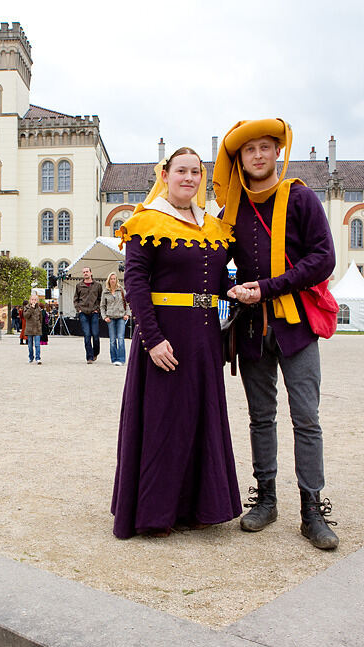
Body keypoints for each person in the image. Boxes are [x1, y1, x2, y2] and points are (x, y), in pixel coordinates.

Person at [214, 118, 339, 550]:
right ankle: (266, 498)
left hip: (296, 325)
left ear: (277, 152)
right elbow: (212, 260)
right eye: (249, 150)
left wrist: (266, 288)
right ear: (240, 160)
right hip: (251, 329)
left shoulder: (301, 197)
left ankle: (311, 508)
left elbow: (324, 258)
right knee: (260, 417)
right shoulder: (232, 209)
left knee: (306, 418)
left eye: (265, 147)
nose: (258, 156)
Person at [111, 147, 241, 539]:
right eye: (181, 171)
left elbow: (219, 283)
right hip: (164, 335)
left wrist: (241, 292)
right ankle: (155, 512)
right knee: (164, 423)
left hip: (203, 338)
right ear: (165, 175)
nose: (189, 178)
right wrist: (153, 339)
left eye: (196, 172)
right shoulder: (147, 221)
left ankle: (197, 507)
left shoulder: (213, 226)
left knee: (199, 420)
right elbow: (135, 283)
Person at [74, 266, 102, 364]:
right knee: (87, 334)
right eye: (84, 272)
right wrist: (79, 309)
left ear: (90, 273)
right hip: (83, 313)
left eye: (87, 271)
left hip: (94, 312)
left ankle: (95, 352)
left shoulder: (97, 285)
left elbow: (100, 298)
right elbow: (75, 299)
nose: (85, 273)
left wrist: (97, 309)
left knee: (95, 334)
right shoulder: (79, 285)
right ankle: (89, 357)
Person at [101, 272, 130, 366]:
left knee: (121, 338)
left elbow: (127, 302)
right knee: (112, 340)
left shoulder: (121, 290)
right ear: (108, 280)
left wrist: (127, 314)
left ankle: (121, 359)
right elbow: (102, 306)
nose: (112, 280)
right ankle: (114, 359)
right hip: (110, 318)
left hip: (121, 317)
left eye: (114, 278)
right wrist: (104, 316)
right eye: (111, 279)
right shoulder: (105, 292)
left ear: (116, 279)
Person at [22, 293, 44, 364]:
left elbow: (41, 318)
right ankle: (31, 357)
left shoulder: (39, 309)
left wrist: (40, 325)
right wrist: (31, 308)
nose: (33, 301)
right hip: (29, 329)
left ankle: (38, 358)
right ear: (30, 300)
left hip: (37, 329)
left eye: (35, 299)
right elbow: (25, 316)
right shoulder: (26, 308)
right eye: (32, 299)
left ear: (37, 300)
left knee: (37, 344)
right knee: (30, 345)